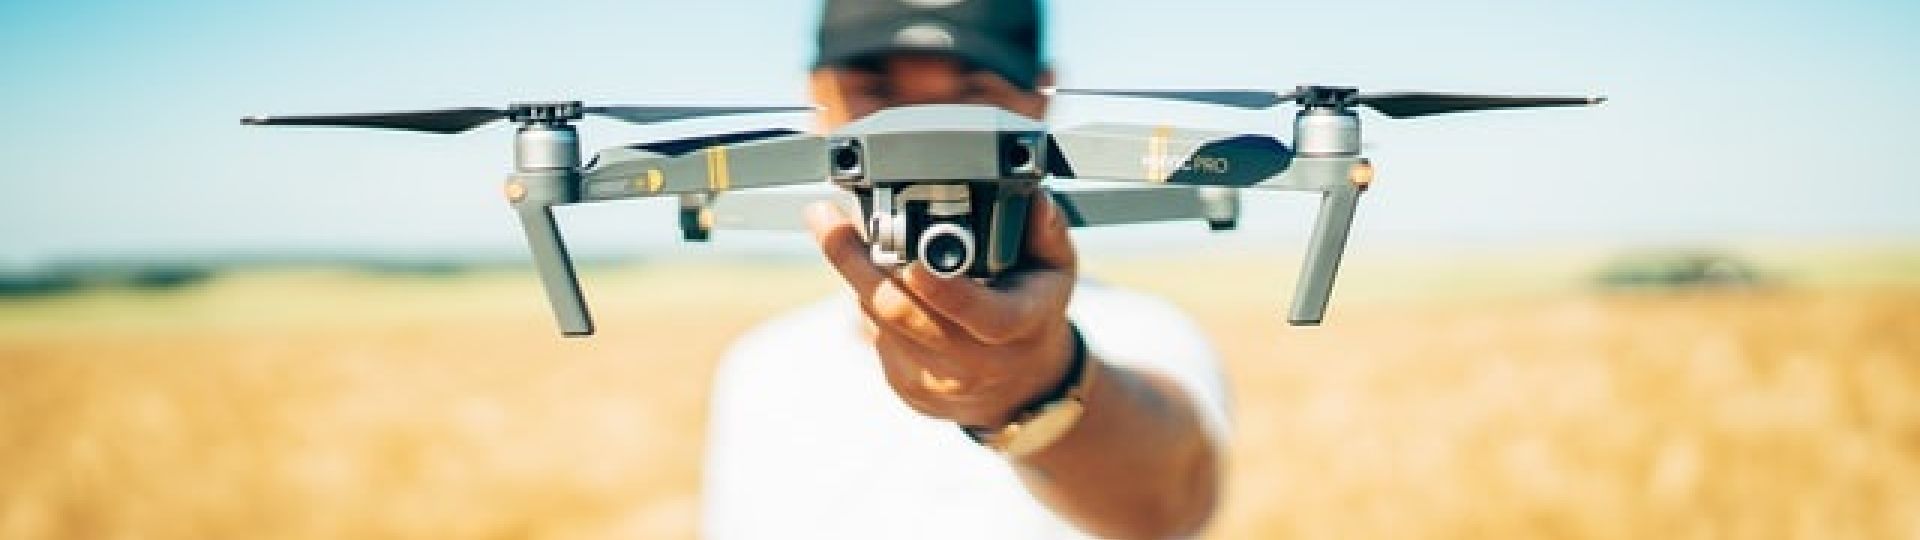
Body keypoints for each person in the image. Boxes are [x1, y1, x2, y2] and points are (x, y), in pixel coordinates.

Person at [700, 1, 1230, 538]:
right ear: (816, 97)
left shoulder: (1148, 333)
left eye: (973, 97)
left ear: (1040, 97)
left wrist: (1044, 385)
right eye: (881, 96)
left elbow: (1167, 507)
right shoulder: (762, 370)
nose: (926, 142)